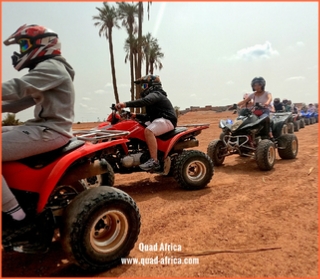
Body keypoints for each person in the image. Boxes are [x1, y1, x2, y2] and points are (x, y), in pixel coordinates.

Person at [2, 24, 75, 230]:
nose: (21, 50)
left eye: (24, 44)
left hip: (52, 131)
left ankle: (17, 217)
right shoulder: (51, 69)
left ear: (44, 44)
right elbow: (20, 103)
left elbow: (17, 88)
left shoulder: (52, 67)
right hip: (44, 128)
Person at [116, 75, 177, 171]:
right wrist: (135, 116)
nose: (142, 89)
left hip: (167, 120)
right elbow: (149, 117)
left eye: (144, 86)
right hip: (158, 120)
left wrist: (125, 104)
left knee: (148, 131)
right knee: (138, 126)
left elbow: (145, 101)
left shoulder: (157, 94)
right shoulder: (154, 99)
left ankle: (154, 161)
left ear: (153, 85)